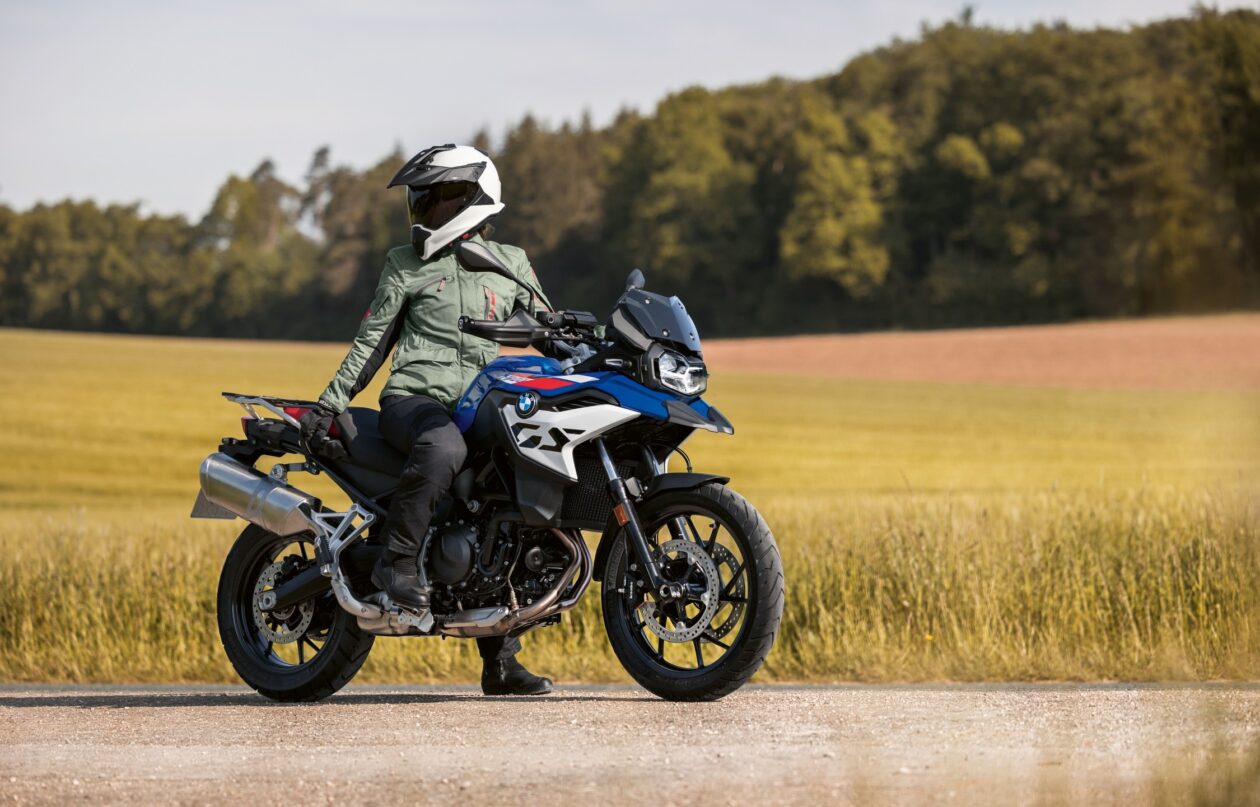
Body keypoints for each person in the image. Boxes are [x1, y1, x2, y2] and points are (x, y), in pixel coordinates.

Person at [300, 144, 552, 696]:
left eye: (434, 196)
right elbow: (373, 342)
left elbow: (549, 330)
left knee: (511, 503)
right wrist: (329, 402)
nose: (424, 208)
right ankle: (397, 565)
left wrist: (605, 349)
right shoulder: (406, 264)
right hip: (416, 401)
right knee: (443, 450)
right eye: (422, 197)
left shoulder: (510, 263)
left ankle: (502, 661)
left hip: (485, 403)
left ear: (471, 197)